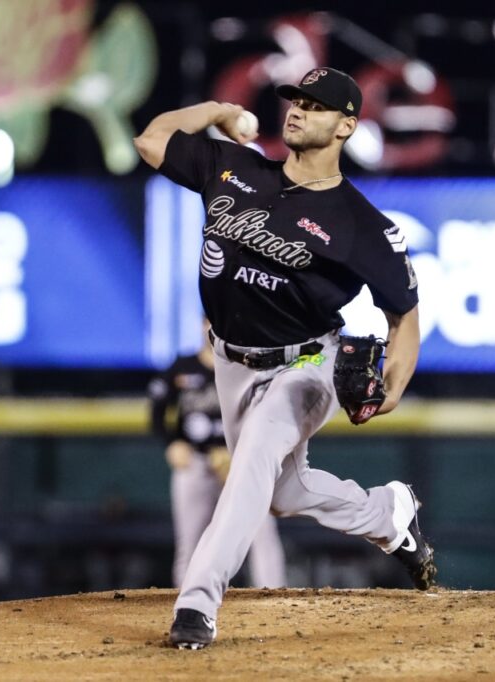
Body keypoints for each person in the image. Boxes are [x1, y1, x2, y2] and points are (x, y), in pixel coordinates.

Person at [134, 67, 435, 650]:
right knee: (279, 492)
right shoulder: (234, 167)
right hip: (231, 361)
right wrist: (219, 110)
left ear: (347, 125)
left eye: (317, 105)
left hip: (304, 367)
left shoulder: (363, 226)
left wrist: (393, 387)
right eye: (296, 99)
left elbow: (406, 318)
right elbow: (152, 140)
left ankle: (197, 604)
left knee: (249, 467)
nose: (298, 109)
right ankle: (387, 514)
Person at [148, 320, 287, 590]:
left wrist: (240, 454)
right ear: (202, 325)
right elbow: (156, 411)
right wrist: (172, 442)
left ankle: (274, 602)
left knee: (263, 536)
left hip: (242, 463)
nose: (215, 329)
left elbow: (268, 415)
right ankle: (187, 605)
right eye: (211, 323)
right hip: (196, 463)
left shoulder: (250, 366)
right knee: (191, 541)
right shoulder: (182, 367)